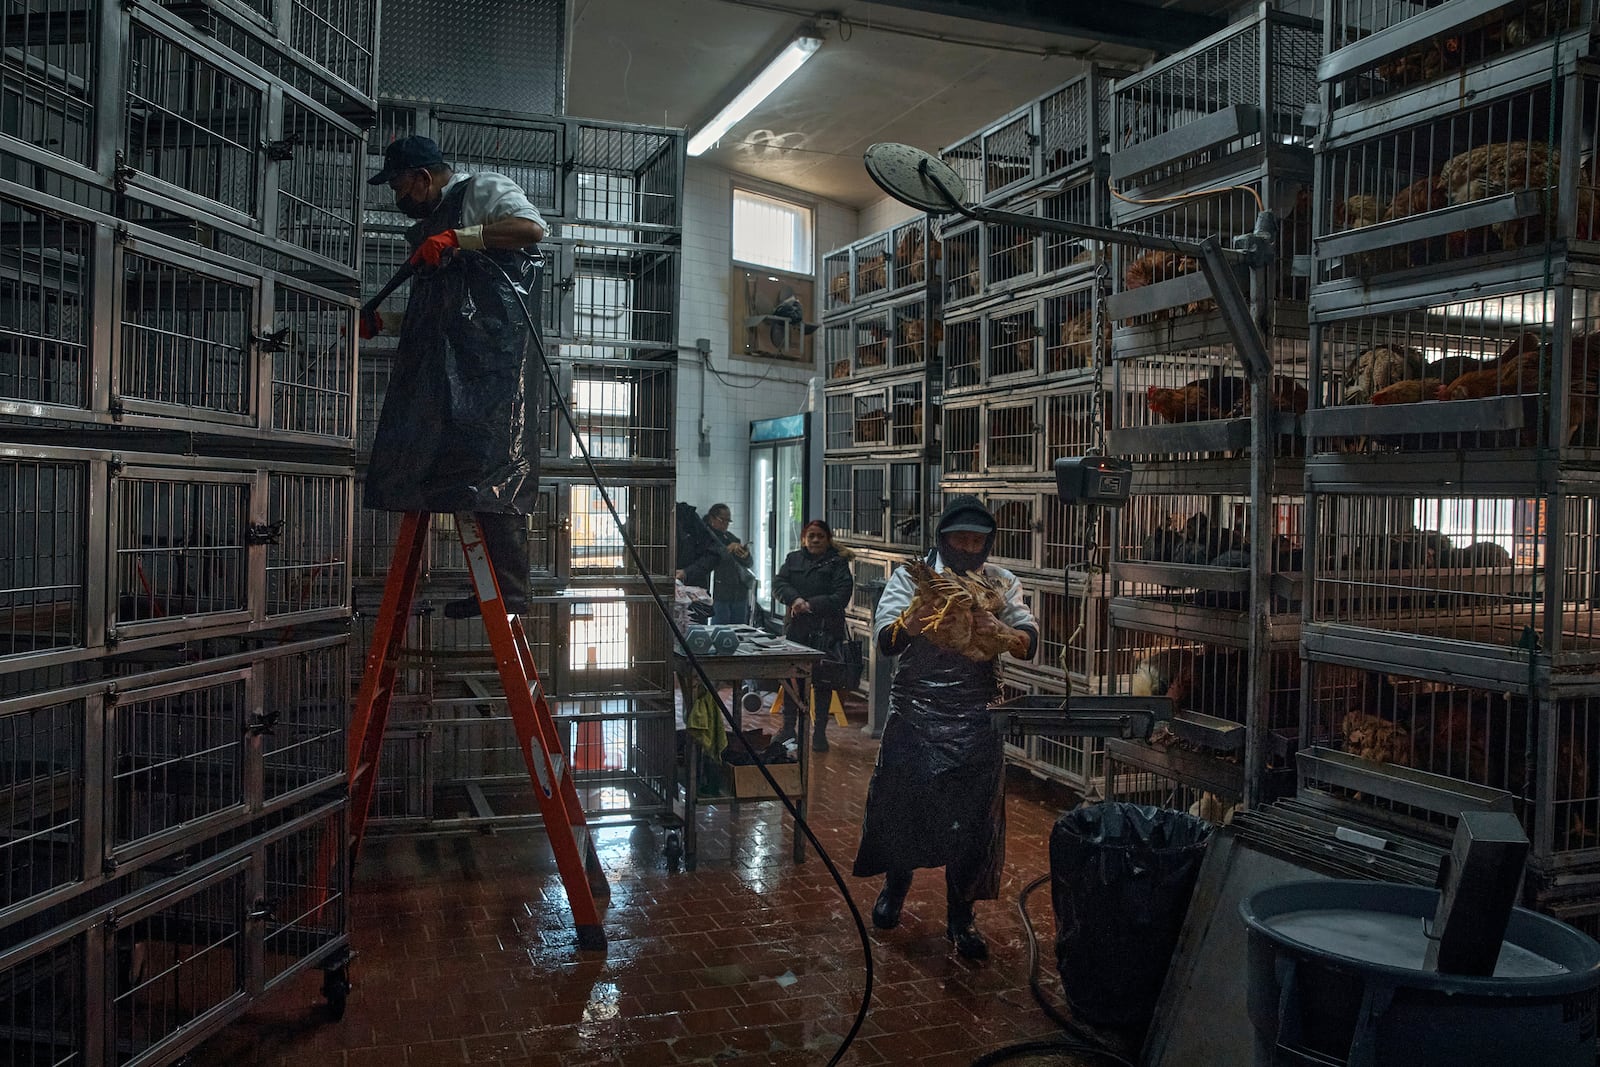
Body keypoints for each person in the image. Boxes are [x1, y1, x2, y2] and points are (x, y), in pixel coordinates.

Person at [360, 135, 548, 620]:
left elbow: (531, 229)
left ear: (422, 177)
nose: (398, 199)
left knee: (491, 469)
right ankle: (489, 586)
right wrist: (391, 323)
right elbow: (442, 309)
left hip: (492, 364)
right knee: (442, 462)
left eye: (399, 186)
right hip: (454, 366)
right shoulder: (429, 226)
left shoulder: (482, 190)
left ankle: (510, 593)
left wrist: (458, 238)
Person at [852, 494, 1037, 961]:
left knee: (973, 821)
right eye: (961, 539)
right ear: (943, 539)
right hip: (915, 713)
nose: (970, 546)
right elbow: (885, 641)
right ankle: (896, 886)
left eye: (978, 540)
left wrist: (1010, 634)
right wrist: (914, 620)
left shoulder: (1000, 582)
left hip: (977, 716)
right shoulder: (910, 578)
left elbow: (1026, 633)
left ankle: (962, 917)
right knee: (903, 807)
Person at [773, 519, 854, 752]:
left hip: (826, 630)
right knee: (791, 679)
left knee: (823, 681)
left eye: (820, 536)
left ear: (828, 539)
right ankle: (789, 728)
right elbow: (779, 583)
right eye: (811, 536)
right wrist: (794, 599)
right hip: (797, 630)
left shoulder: (837, 563)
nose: (816, 540)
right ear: (804, 539)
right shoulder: (793, 559)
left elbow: (842, 595)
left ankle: (819, 732)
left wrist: (810, 604)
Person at [679, 503, 754, 625]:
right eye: (722, 520)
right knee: (717, 630)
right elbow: (710, 558)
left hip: (738, 592)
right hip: (717, 593)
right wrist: (727, 549)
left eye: (728, 521)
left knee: (739, 630)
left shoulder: (731, 538)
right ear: (711, 518)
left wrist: (745, 556)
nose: (726, 524)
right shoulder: (703, 536)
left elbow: (748, 564)